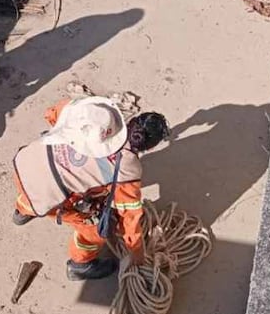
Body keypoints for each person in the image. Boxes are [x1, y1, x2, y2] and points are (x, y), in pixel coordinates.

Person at [11, 96, 170, 281]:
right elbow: (130, 219)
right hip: (45, 197)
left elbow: (52, 113)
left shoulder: (88, 113)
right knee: (93, 230)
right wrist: (137, 255)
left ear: (131, 120)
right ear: (149, 148)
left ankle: (21, 212)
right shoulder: (127, 169)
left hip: (24, 163)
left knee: (38, 184)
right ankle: (80, 266)